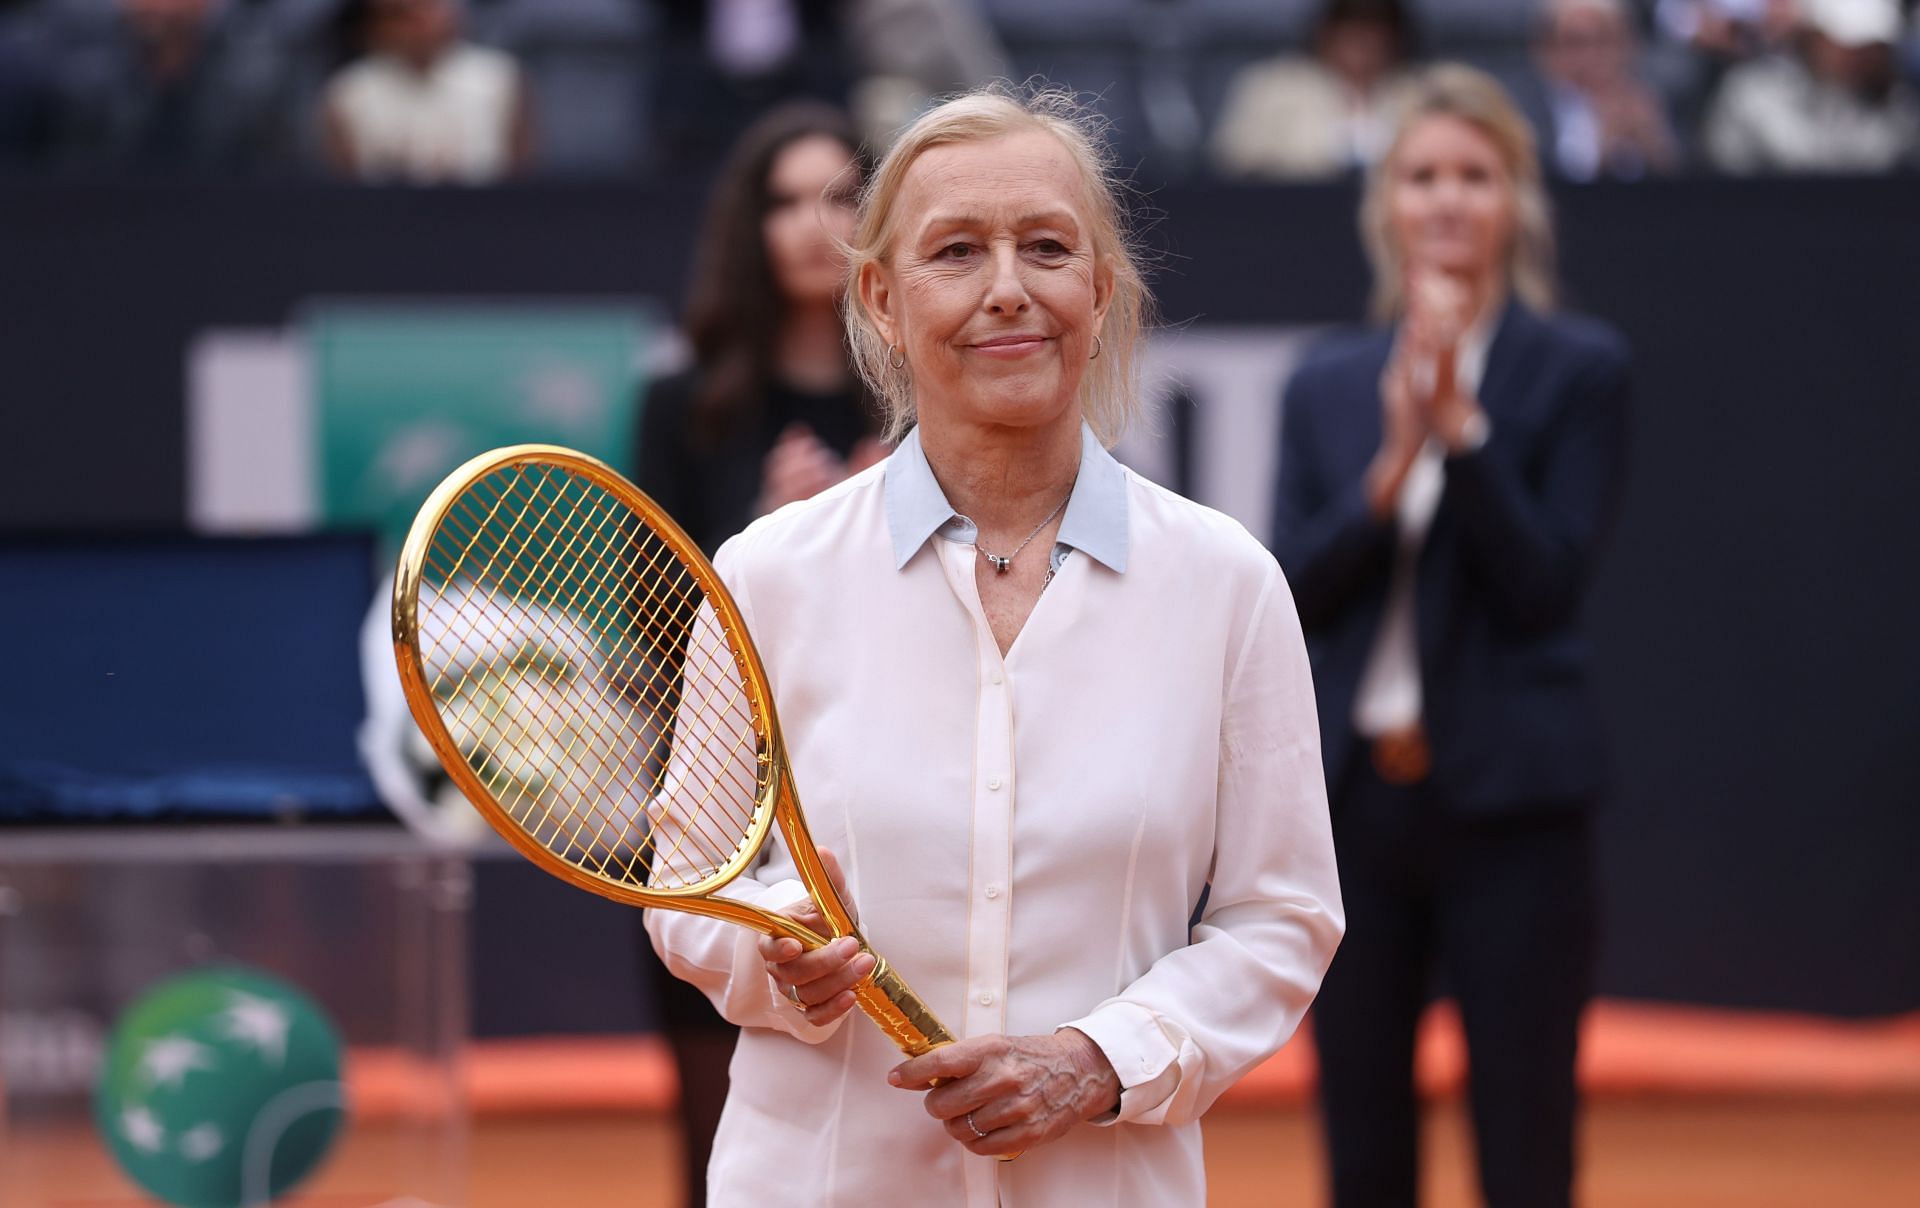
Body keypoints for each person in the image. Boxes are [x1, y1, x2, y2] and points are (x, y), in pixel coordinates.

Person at [646, 85, 1344, 1205]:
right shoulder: (766, 574)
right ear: (879, 296)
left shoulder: (1228, 584)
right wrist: (774, 954)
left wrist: (1098, 1060)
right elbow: (688, 886)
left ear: (1101, 289)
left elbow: (1283, 914)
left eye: (1048, 247)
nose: (1009, 289)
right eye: (958, 250)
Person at [1269, 65, 1630, 1208]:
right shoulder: (1325, 379)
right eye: (1423, 175)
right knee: (1362, 1143)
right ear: (1387, 204)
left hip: (1514, 806)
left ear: (1516, 200)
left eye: (1476, 175)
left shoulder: (1577, 367)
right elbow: (1294, 596)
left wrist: (1461, 432)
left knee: (1527, 1135)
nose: (1447, 199)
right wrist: (1386, 473)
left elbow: (1544, 586)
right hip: (1357, 811)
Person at [628, 101, 883, 1208]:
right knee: (715, 1124)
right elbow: (647, 624)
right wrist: (771, 535)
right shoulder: (684, 408)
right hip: (722, 815)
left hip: (874, 797)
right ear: (749, 226)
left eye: (840, 197)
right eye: (785, 201)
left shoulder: (926, 401)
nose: (812, 224)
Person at [321, 0, 532, 184]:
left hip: (484, 216)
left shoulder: (499, 78)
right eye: (400, 14)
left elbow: (521, 175)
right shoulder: (349, 91)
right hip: (385, 219)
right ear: (375, 24)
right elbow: (344, 183)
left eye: (428, 6)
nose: (419, 22)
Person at [1211, 0, 1422, 181]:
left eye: (1377, 27)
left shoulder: (1421, 91)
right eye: (1349, 25)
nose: (1363, 38)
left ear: (1396, 37)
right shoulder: (1271, 91)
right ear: (1325, 32)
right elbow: (1231, 167)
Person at [1703, 0, 1919, 172]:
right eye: (1847, 45)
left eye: (1873, 47)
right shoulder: (1750, 95)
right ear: (1815, 37)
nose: (1861, 57)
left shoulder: (1900, 109)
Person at [1519, 0, 1681, 180]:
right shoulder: (1525, 114)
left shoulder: (1657, 101)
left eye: (1605, 40)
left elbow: (1689, 182)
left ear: (1629, 46)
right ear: (1547, 50)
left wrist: (1654, 143)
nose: (1592, 56)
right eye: (1576, 43)